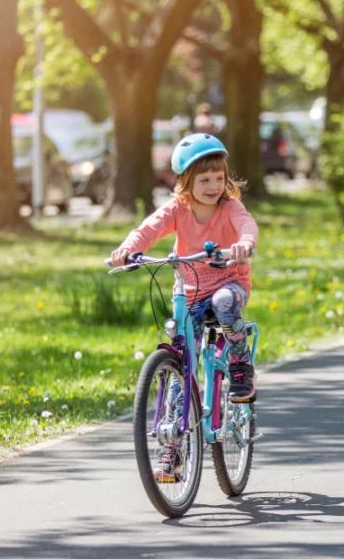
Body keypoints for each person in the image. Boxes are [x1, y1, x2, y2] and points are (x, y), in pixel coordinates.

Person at [109, 133, 258, 480]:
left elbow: (247, 225)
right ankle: (171, 450)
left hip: (228, 284)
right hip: (188, 291)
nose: (213, 186)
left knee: (224, 304)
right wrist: (126, 249)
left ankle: (238, 363)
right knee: (181, 363)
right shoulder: (177, 210)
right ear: (185, 183)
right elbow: (148, 229)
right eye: (204, 180)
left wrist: (244, 243)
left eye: (219, 178)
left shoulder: (229, 208)